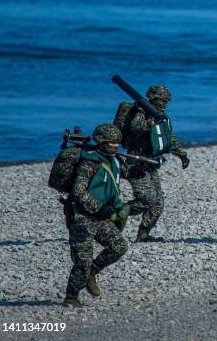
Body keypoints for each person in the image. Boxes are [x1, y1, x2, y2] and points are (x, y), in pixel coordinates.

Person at [64, 125, 129, 307]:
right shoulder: (88, 163)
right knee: (82, 261)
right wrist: (99, 208)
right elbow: (78, 191)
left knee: (119, 246)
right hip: (82, 219)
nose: (116, 146)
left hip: (101, 219)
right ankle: (71, 296)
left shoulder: (114, 161)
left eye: (118, 143)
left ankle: (92, 272)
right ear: (102, 142)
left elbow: (126, 175)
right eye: (112, 143)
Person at [125, 85, 190, 242]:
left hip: (151, 163)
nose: (164, 104)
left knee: (158, 203)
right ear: (153, 98)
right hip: (136, 162)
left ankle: (143, 234)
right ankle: (112, 213)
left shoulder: (162, 116)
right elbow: (134, 128)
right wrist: (150, 123)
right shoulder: (140, 112)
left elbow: (169, 137)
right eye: (162, 100)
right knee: (146, 199)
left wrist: (181, 154)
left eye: (166, 101)